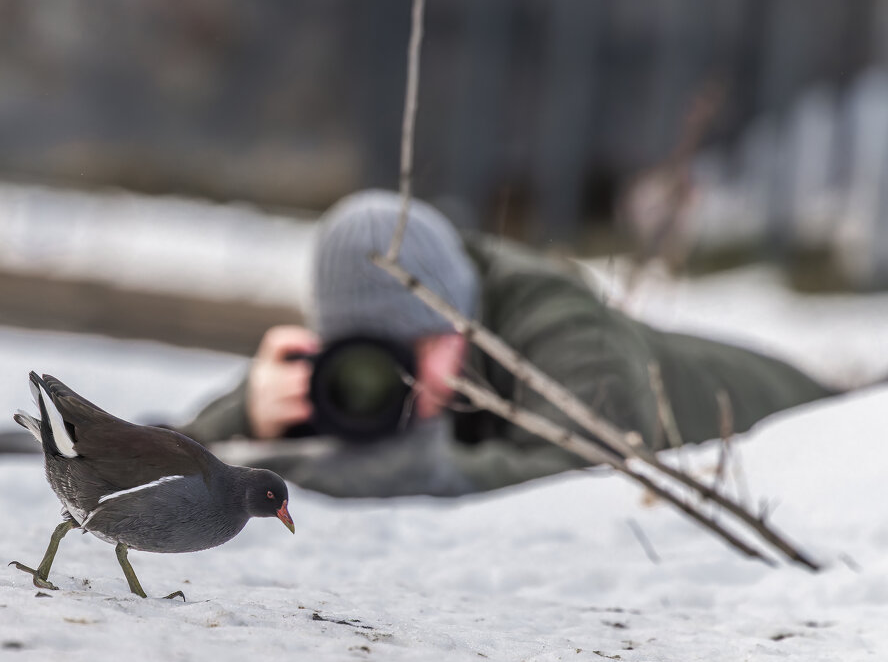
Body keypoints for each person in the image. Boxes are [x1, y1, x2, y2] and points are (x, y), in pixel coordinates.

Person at [176, 190, 836, 498]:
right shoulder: (346, 361)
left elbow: (580, 473)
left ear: (460, 319)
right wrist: (250, 416)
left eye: (415, 347)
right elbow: (176, 451)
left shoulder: (569, 335)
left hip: (807, 413)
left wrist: (422, 471)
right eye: (360, 352)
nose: (389, 377)